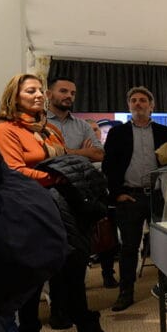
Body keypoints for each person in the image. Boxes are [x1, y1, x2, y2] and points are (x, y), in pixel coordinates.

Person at [0, 73, 123, 332]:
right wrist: (57, 178)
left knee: (75, 270)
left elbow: (67, 159)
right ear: (14, 96)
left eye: (39, 90)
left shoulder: (50, 130)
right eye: (30, 91)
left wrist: (65, 177)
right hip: (32, 210)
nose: (38, 95)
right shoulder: (6, 130)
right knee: (36, 276)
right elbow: (13, 171)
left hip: (65, 207)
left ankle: (87, 331)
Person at [103, 86, 167, 312]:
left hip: (158, 196)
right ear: (129, 106)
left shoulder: (166, 132)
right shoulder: (117, 133)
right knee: (129, 248)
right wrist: (117, 194)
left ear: (152, 106)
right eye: (134, 100)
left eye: (143, 100)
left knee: (164, 246)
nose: (138, 104)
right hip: (129, 197)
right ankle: (126, 293)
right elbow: (108, 167)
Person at [46, 76, 116, 288]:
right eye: (64, 91)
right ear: (49, 94)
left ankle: (77, 303)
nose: (69, 96)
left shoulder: (82, 126)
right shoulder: (40, 123)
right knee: (54, 251)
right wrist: (81, 154)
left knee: (79, 250)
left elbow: (98, 154)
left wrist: (65, 151)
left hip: (78, 195)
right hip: (47, 193)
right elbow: (42, 158)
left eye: (72, 93)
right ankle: (58, 309)